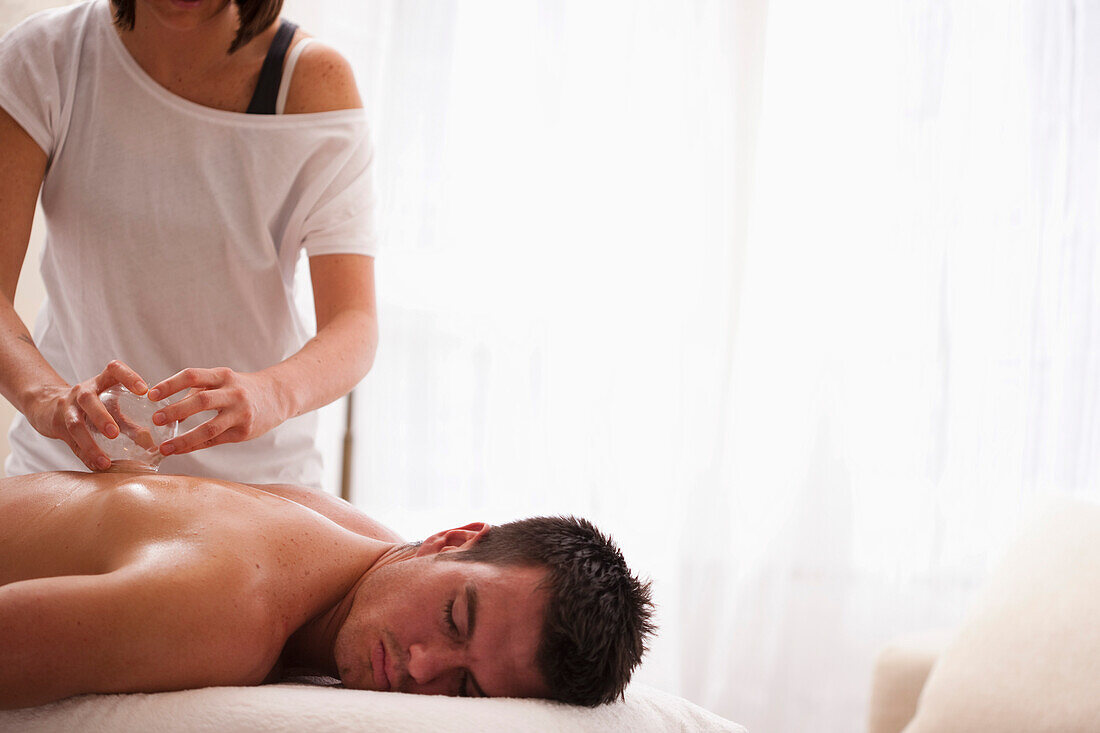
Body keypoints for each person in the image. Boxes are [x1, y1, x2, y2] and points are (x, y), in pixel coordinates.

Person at [0, 0, 377, 487]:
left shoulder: (312, 82)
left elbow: (355, 323)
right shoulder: (47, 55)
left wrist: (271, 393)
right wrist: (48, 400)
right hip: (72, 471)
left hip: (254, 488)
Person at [0, 469, 656, 710]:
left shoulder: (359, 544)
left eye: (465, 689)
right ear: (453, 536)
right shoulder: (231, 610)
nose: (422, 665)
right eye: (456, 618)